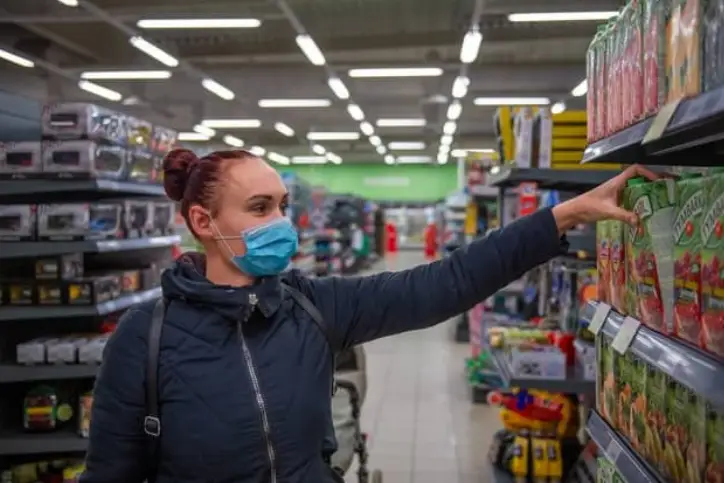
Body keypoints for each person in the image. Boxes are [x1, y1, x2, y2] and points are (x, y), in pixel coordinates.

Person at [80, 149, 656, 483]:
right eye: (260, 208)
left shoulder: (311, 306)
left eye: (282, 205)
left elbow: (444, 283)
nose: (283, 221)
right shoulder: (145, 338)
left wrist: (564, 215)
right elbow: (110, 473)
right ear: (204, 223)